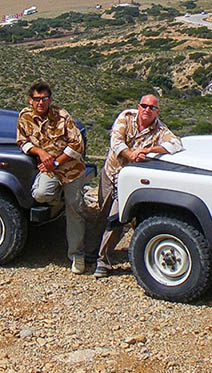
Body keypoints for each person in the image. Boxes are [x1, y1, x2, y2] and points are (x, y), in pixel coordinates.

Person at [94, 93, 183, 278]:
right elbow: (116, 141)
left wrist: (149, 150)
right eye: (144, 106)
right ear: (138, 106)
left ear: (157, 111)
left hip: (129, 182)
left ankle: (103, 260)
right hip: (111, 173)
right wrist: (130, 153)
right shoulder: (126, 117)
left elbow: (176, 144)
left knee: (116, 219)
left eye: (152, 108)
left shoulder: (160, 130)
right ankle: (90, 250)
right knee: (101, 213)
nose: (147, 110)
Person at [16, 82, 88, 274]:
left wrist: (56, 162)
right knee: (40, 194)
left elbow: (77, 145)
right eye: (37, 99)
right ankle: (60, 201)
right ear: (30, 100)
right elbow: (22, 141)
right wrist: (40, 152)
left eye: (45, 98)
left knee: (75, 210)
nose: (41, 102)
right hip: (49, 170)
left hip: (70, 169)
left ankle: (77, 255)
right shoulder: (24, 117)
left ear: (50, 100)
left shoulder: (62, 116)